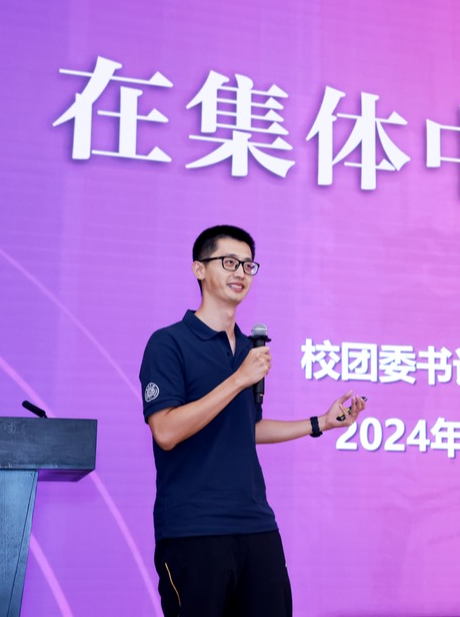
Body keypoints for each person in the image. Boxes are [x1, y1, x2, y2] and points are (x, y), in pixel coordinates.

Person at [138, 225, 366, 617]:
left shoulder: (248, 348)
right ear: (199, 269)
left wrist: (320, 423)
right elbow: (166, 431)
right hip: (195, 528)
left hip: (256, 523)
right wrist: (239, 379)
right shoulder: (169, 343)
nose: (241, 272)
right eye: (229, 262)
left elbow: (247, 428)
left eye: (248, 265)